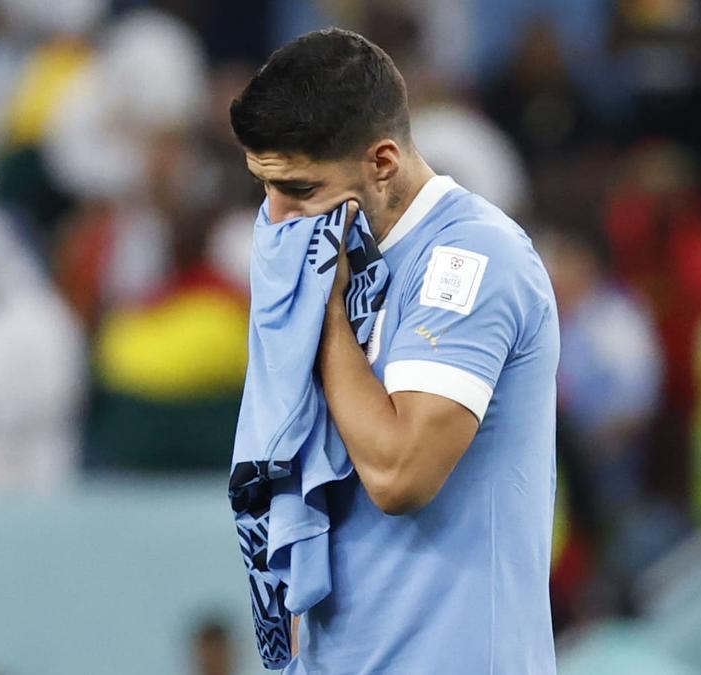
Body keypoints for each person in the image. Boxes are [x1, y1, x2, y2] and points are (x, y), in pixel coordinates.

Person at [229, 28, 559, 673]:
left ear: (382, 162)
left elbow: (401, 475)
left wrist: (321, 320)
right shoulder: (345, 259)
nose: (276, 218)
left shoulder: (469, 259)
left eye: (300, 190)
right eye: (263, 186)